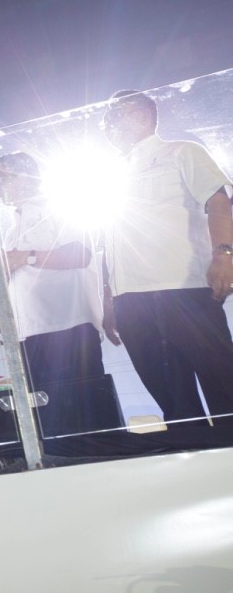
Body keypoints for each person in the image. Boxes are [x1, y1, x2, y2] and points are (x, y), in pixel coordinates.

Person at [100, 90, 233, 425]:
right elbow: (111, 243)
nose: (106, 126)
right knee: (175, 407)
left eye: (113, 116)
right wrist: (109, 298)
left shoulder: (182, 151)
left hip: (184, 290)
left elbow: (218, 202)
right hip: (130, 301)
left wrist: (225, 254)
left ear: (141, 115)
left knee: (225, 389)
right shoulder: (108, 176)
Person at [0, 152, 107, 435]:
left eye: (3, 177)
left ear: (26, 177)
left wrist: (26, 256)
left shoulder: (58, 209)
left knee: (87, 414)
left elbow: (80, 253)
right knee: (51, 422)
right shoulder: (10, 231)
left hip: (68, 327)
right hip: (30, 333)